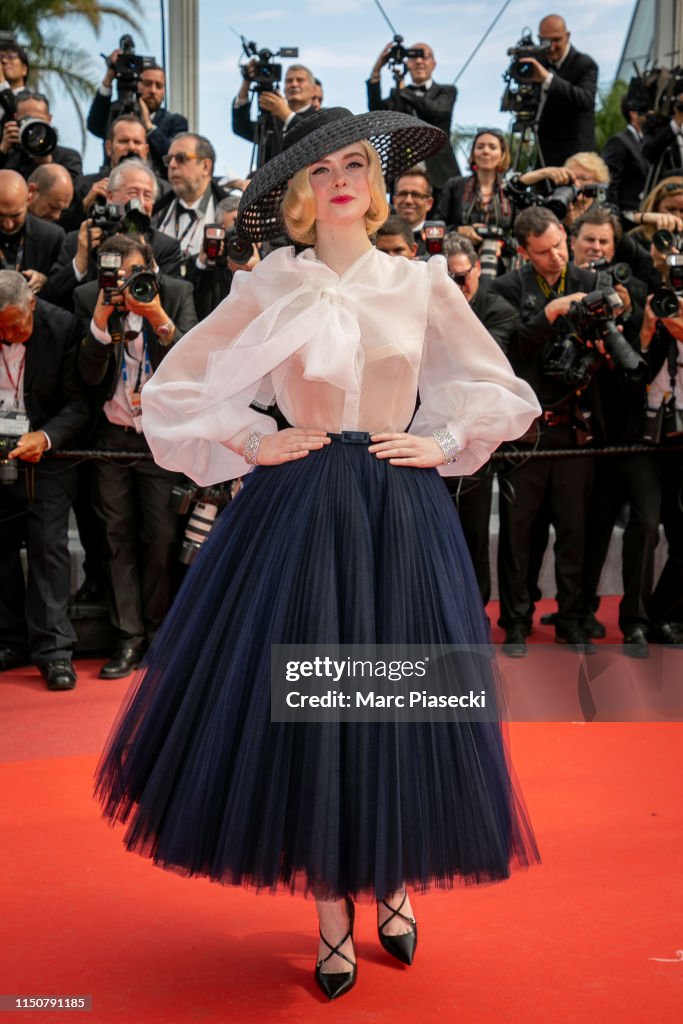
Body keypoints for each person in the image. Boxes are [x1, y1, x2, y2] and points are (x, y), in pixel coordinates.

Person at [94, 107, 540, 1001]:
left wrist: (443, 440)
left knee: (400, 700)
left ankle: (395, 873)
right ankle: (332, 906)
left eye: (353, 165)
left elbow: (500, 388)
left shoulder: (421, 285)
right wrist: (254, 442)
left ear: (374, 185)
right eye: (320, 169)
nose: (339, 178)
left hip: (396, 511)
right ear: (299, 191)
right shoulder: (267, 285)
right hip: (296, 512)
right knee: (308, 708)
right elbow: (177, 387)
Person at [74, 235, 197, 679]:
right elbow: (87, 377)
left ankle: (159, 635)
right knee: (114, 537)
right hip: (111, 435)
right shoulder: (90, 298)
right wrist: (100, 325)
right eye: (117, 276)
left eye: (134, 274)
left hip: (160, 437)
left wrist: (158, 317)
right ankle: (127, 640)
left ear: (149, 266)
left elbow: (194, 363)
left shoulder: (176, 293)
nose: (126, 284)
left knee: (162, 536)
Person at [0, 269, 89, 690]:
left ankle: (54, 652)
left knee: (49, 549)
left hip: (47, 455)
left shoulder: (63, 327)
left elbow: (79, 404)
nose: (10, 334)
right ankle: (9, 639)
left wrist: (46, 436)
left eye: (16, 325)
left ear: (32, 304)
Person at [367, 41, 459, 189]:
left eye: (425, 57)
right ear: (407, 63)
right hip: (402, 176)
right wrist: (377, 70)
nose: (419, 61)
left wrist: (402, 91)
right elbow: (376, 110)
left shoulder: (446, 91)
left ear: (434, 64)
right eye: (413, 57)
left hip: (440, 177)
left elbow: (436, 111)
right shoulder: (399, 94)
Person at [87, 51, 188, 179]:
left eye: (159, 86)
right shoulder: (116, 112)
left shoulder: (176, 122)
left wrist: (149, 126)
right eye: (147, 84)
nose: (152, 90)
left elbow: (174, 156)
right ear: (136, 84)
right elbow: (94, 126)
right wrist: (109, 78)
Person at [522, 14, 598, 168]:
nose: (551, 46)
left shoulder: (584, 64)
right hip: (544, 156)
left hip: (576, 160)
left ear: (567, 36)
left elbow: (585, 99)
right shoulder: (538, 63)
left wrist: (547, 79)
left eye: (557, 40)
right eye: (546, 41)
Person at [233, 63, 318, 165]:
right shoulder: (272, 120)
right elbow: (241, 127)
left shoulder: (320, 118)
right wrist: (246, 83)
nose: (294, 84)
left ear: (313, 90)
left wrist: (286, 114)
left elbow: (313, 139)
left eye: (300, 80)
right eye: (289, 81)